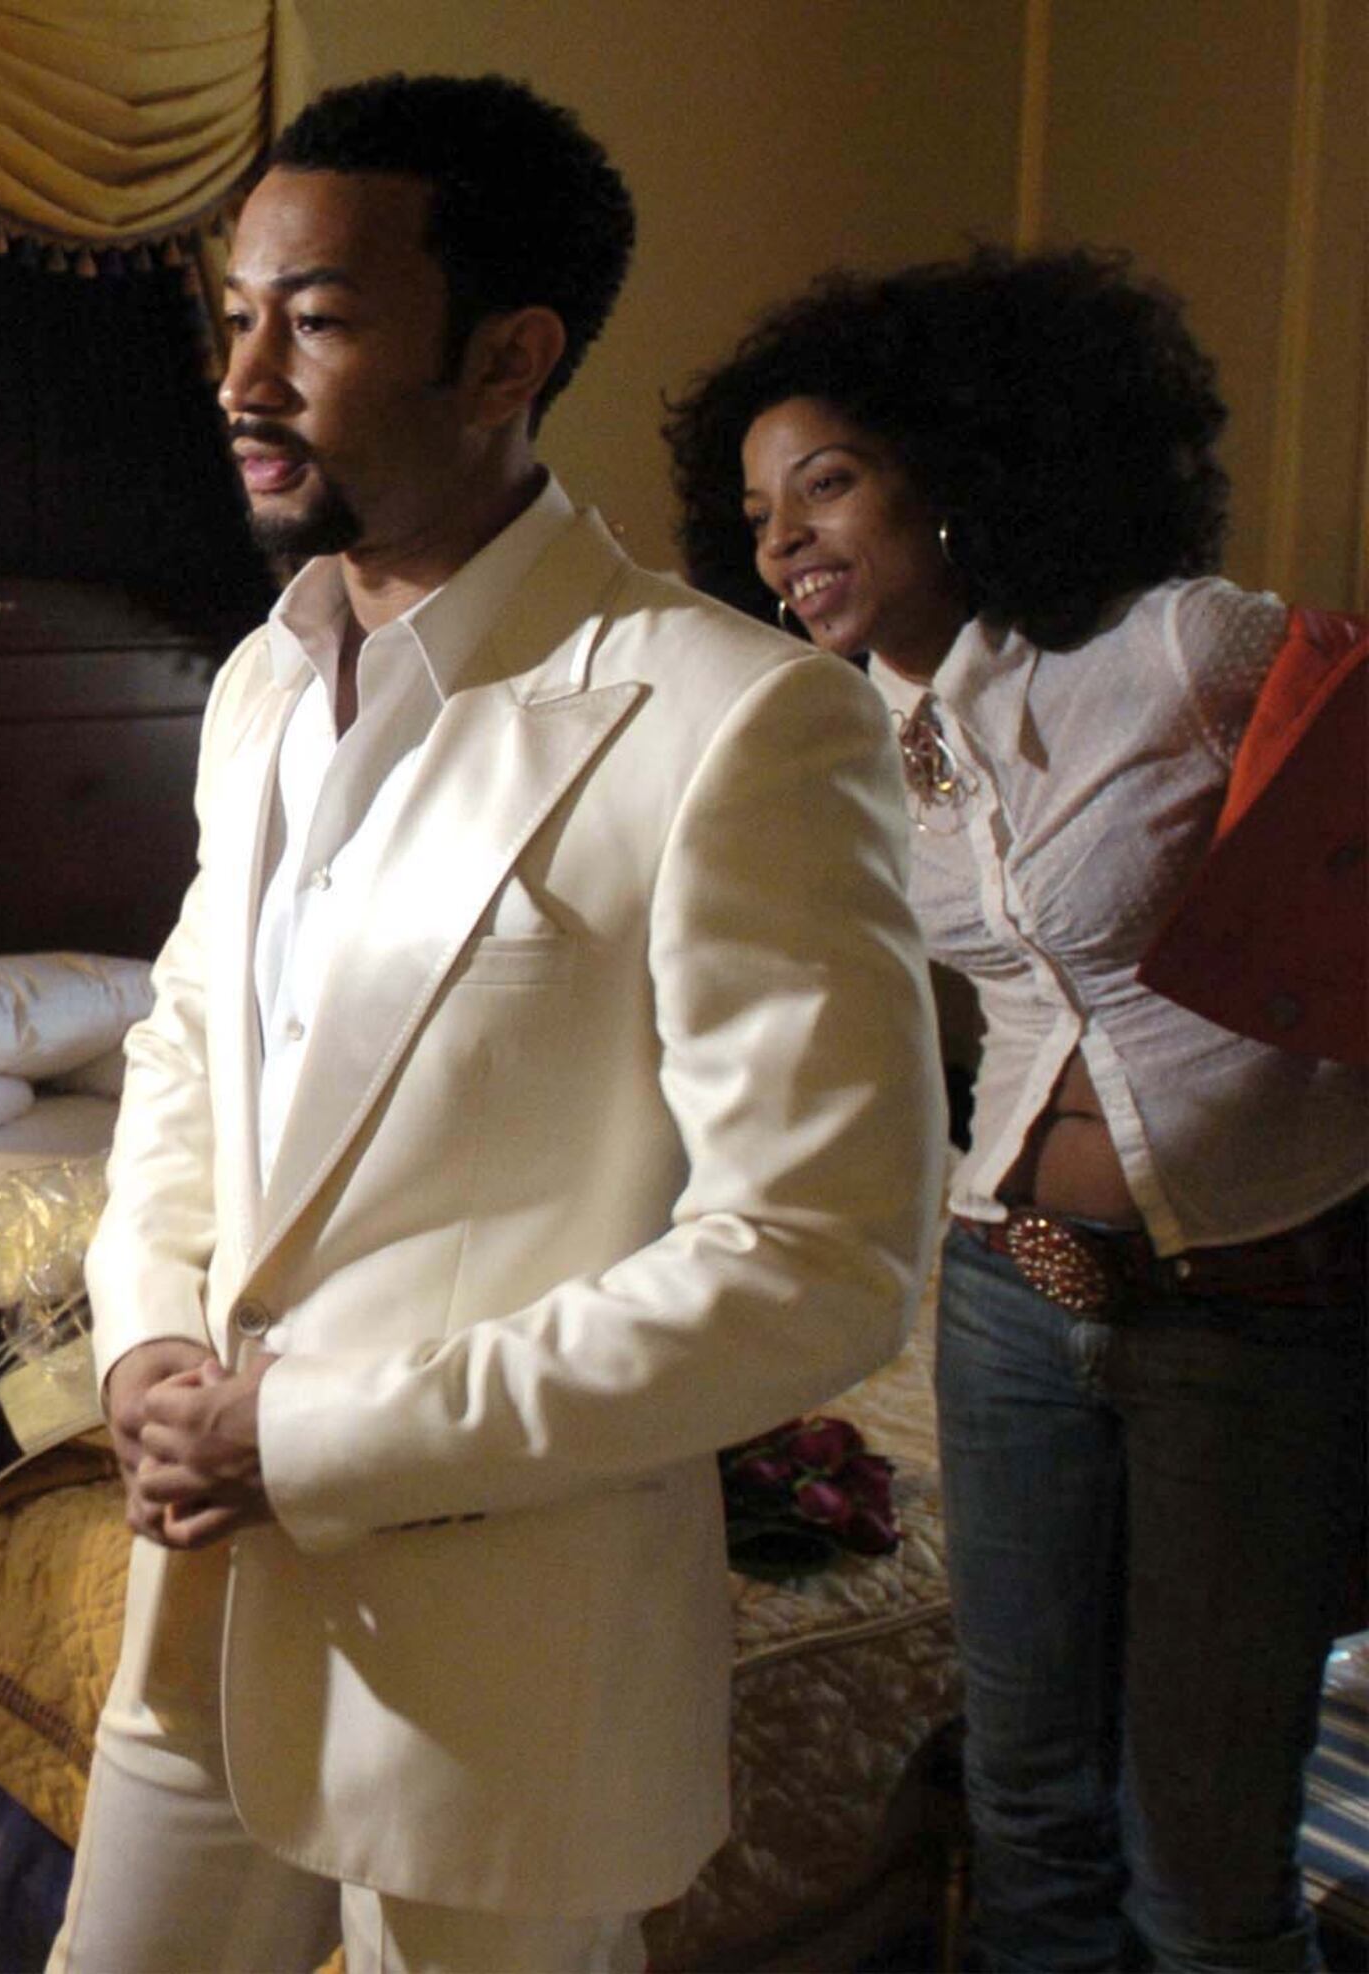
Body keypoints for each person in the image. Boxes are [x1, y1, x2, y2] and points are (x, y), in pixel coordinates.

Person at [50, 73, 946, 1974]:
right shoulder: (261, 686)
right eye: (237, 315)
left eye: (321, 317)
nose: (246, 375)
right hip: (198, 1619)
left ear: (508, 355)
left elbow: (822, 1257)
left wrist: (317, 1433)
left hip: (504, 1668)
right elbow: (189, 1052)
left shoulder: (732, 721)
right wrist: (142, 1343)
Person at [664, 245, 1368, 1974]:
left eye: (825, 481)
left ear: (957, 470)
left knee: (1203, 1854)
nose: (782, 541)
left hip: (1253, 1305)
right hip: (999, 1291)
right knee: (1032, 1802)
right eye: (756, 510)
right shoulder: (838, 738)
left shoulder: (1185, 649)